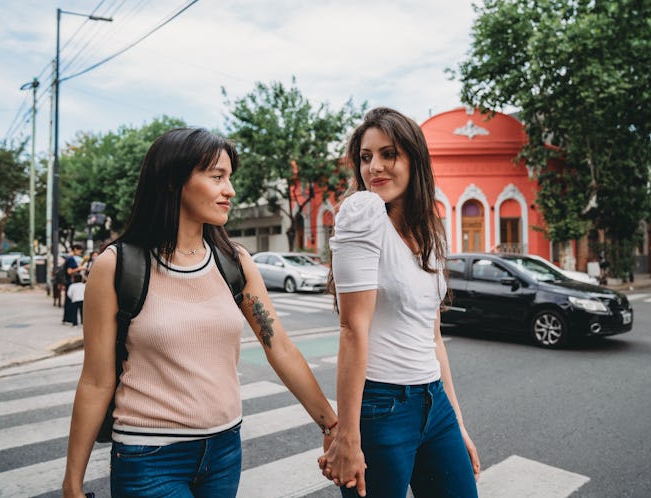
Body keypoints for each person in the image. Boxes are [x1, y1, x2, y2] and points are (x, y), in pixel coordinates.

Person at [62, 128, 338, 498]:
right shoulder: (116, 265)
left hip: (224, 451)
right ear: (175, 181)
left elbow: (280, 348)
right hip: (149, 456)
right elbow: (96, 380)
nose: (230, 190)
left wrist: (332, 425)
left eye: (230, 177)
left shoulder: (234, 261)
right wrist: (72, 483)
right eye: (217, 177)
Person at [318, 108, 480, 497]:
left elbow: (433, 337)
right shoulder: (363, 213)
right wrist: (348, 436)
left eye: (388, 154)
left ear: (414, 159)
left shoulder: (429, 232)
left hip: (433, 402)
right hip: (381, 407)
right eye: (366, 157)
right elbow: (352, 329)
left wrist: (456, 421)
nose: (375, 167)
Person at [62, 244, 87, 325]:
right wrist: (79, 268)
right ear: (75, 249)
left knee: (69, 301)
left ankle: (67, 319)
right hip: (71, 283)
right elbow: (69, 271)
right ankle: (69, 319)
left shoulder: (69, 258)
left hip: (70, 282)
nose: (80, 253)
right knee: (70, 302)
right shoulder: (71, 259)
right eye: (80, 251)